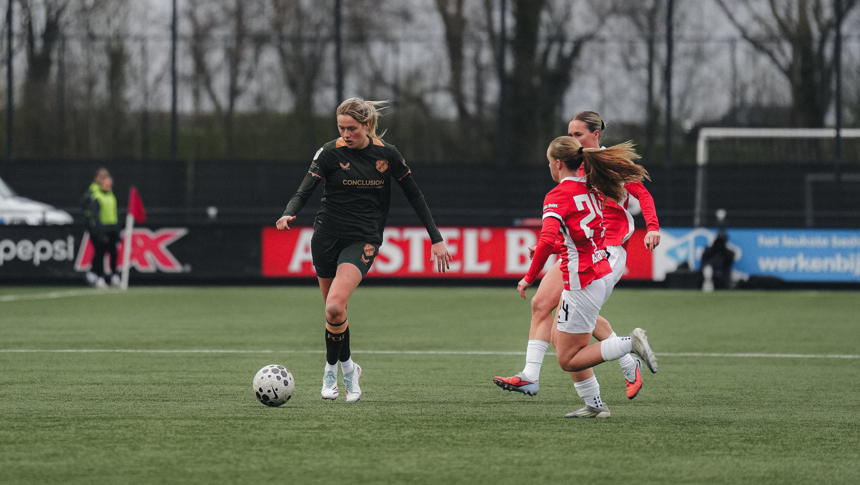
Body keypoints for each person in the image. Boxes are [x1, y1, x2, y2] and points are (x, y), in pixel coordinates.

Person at [276, 98, 452, 403]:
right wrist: (289, 212)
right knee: (336, 313)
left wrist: (435, 237)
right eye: (341, 128)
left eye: (352, 128)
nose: (345, 133)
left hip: (363, 239)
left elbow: (415, 196)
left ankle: (332, 371)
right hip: (326, 238)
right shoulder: (329, 152)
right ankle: (350, 368)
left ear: (367, 125)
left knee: (334, 306)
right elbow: (304, 190)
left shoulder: (387, 155)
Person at [494, 111, 661, 404]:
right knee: (549, 307)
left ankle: (616, 362)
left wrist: (652, 227)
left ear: (595, 135)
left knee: (562, 319)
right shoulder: (578, 168)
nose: (573, 139)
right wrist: (555, 244)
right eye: (569, 134)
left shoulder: (606, 163)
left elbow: (643, 196)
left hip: (603, 252)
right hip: (581, 250)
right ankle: (543, 377)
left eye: (578, 134)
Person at [80, 168, 120, 289]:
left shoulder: (111, 194)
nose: (107, 181)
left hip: (111, 228)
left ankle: (112, 276)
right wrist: (95, 228)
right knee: (100, 253)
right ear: (97, 179)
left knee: (112, 252)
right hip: (98, 229)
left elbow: (114, 212)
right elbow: (90, 211)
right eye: (102, 177)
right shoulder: (93, 193)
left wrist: (117, 228)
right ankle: (97, 276)